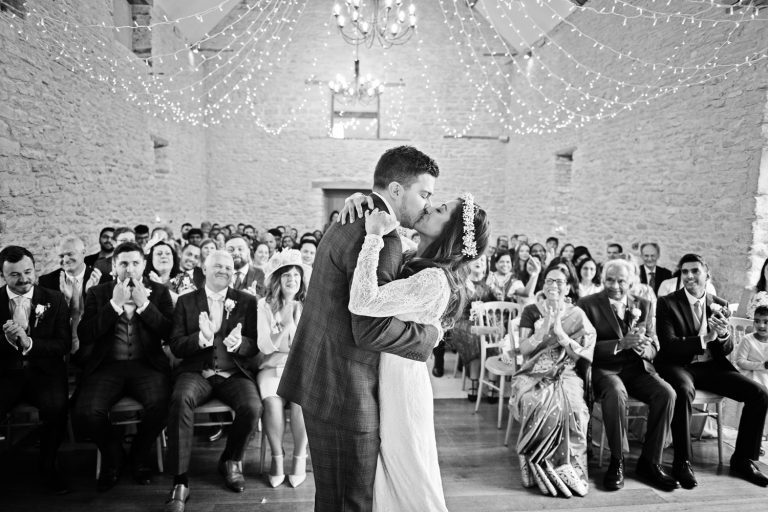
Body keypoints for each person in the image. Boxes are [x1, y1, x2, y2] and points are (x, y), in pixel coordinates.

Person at [278, 145, 442, 512]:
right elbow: (369, 330)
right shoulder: (381, 237)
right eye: (424, 193)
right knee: (350, 501)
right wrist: (428, 338)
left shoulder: (356, 215)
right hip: (343, 388)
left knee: (335, 497)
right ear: (397, 190)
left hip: (325, 377)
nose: (427, 204)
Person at [348, 192, 490, 510]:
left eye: (439, 209)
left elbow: (362, 302)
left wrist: (372, 238)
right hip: (393, 373)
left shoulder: (435, 281)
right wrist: (361, 200)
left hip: (403, 384)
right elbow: (392, 221)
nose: (429, 207)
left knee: (408, 472)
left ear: (451, 233)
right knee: (394, 470)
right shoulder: (418, 256)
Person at [655, 253, 768, 488]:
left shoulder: (721, 304)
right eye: (684, 272)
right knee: (683, 391)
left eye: (695, 271)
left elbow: (725, 349)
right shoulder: (667, 302)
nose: (689, 276)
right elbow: (669, 345)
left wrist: (724, 334)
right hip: (678, 365)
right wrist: (705, 338)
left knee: (759, 394)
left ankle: (742, 460)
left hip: (710, 367)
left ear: (707, 274)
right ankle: (681, 462)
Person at [164, 250, 262, 512]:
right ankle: (180, 480)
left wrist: (241, 343)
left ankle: (231, 460)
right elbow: (175, 346)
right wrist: (201, 339)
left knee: (252, 407)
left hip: (233, 372)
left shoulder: (247, 301)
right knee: (180, 399)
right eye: (217, 266)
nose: (224, 270)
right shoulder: (186, 302)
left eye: (229, 267)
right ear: (204, 270)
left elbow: (254, 346)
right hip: (197, 372)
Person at [74, 242, 173, 492]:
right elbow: (86, 334)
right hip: (108, 367)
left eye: (135, 263)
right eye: (124, 264)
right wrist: (114, 306)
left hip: (147, 366)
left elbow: (169, 332)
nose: (130, 269)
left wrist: (145, 306)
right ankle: (113, 455)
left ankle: (140, 454)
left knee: (163, 405)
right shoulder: (98, 293)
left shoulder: (160, 293)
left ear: (144, 265)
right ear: (114, 265)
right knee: (87, 412)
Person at [577, 259, 678, 492]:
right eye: (610, 280)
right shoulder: (587, 304)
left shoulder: (644, 303)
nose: (615, 285)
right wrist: (620, 344)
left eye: (621, 281)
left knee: (667, 393)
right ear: (602, 279)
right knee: (615, 392)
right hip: (604, 368)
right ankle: (617, 460)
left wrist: (646, 349)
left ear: (631, 281)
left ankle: (650, 462)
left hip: (636, 369)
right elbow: (583, 347)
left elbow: (654, 344)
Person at [508, 263, 595, 497]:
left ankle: (569, 469)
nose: (553, 285)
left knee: (575, 408)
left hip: (566, 371)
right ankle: (536, 464)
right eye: (549, 281)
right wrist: (542, 329)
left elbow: (582, 354)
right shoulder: (531, 311)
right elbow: (523, 351)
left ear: (568, 289)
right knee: (531, 401)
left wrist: (561, 334)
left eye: (559, 282)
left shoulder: (577, 314)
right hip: (532, 370)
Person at [0, 246, 72, 494]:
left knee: (56, 408)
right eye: (15, 275)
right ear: (3, 275)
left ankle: (48, 464)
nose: (24, 279)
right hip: (6, 374)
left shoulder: (54, 299)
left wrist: (29, 343)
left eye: (28, 271)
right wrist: (9, 342)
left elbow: (62, 345)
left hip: (45, 373)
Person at [256, 250, 309, 488]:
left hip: (300, 366)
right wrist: (283, 325)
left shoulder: (309, 305)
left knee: (300, 403)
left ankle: (299, 457)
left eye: (296, 275)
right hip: (271, 365)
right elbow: (264, 346)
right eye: (286, 275)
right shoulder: (265, 306)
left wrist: (295, 321)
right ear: (278, 279)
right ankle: (277, 458)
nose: (292, 280)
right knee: (272, 402)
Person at [38, 236, 102, 354]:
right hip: (58, 346)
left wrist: (90, 294)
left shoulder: (102, 279)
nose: (65, 259)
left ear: (83, 253)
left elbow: (102, 319)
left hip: (92, 347)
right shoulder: (46, 281)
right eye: (61, 256)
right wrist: (65, 301)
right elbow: (44, 320)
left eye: (70, 254)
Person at [449, 253, 496, 400]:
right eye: (475, 259)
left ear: (487, 264)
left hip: (486, 322)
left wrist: (493, 288)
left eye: (482, 260)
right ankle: (474, 381)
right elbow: (455, 307)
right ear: (468, 263)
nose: (479, 262)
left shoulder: (490, 282)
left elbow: (499, 304)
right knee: (474, 336)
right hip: (464, 321)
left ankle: (492, 382)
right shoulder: (462, 281)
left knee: (494, 336)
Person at [735, 305, 768, 389]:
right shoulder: (747, 339)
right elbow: (740, 362)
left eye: (766, 322)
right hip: (750, 374)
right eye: (757, 321)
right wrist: (763, 365)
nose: (761, 325)